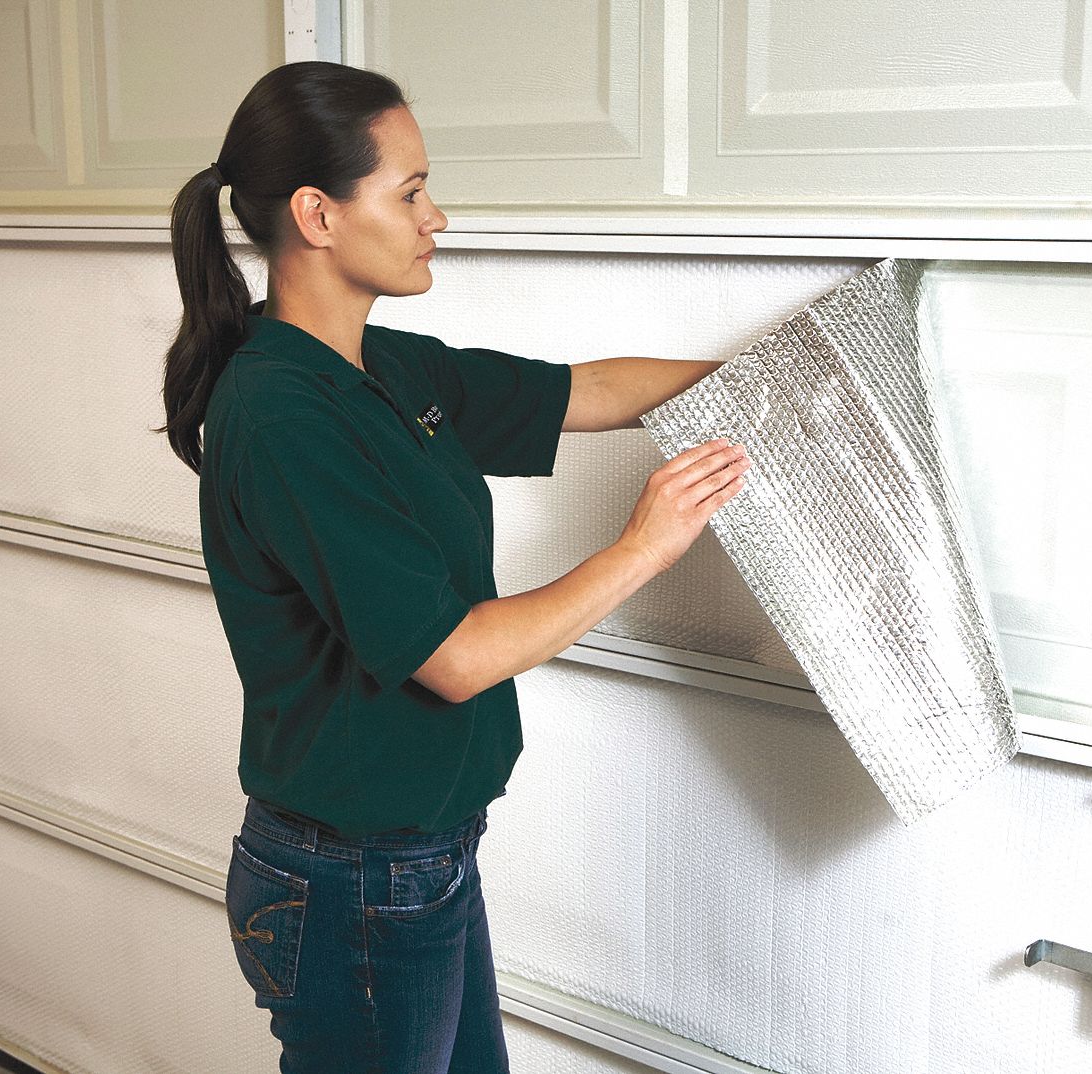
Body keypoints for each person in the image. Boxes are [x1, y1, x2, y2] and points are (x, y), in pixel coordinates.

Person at [155, 61, 747, 1073]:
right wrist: (645, 546)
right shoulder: (283, 413)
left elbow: (590, 390)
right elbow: (456, 658)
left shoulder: (390, 367)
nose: (436, 217)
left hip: (420, 858)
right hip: (352, 880)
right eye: (411, 192)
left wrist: (781, 382)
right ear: (318, 215)